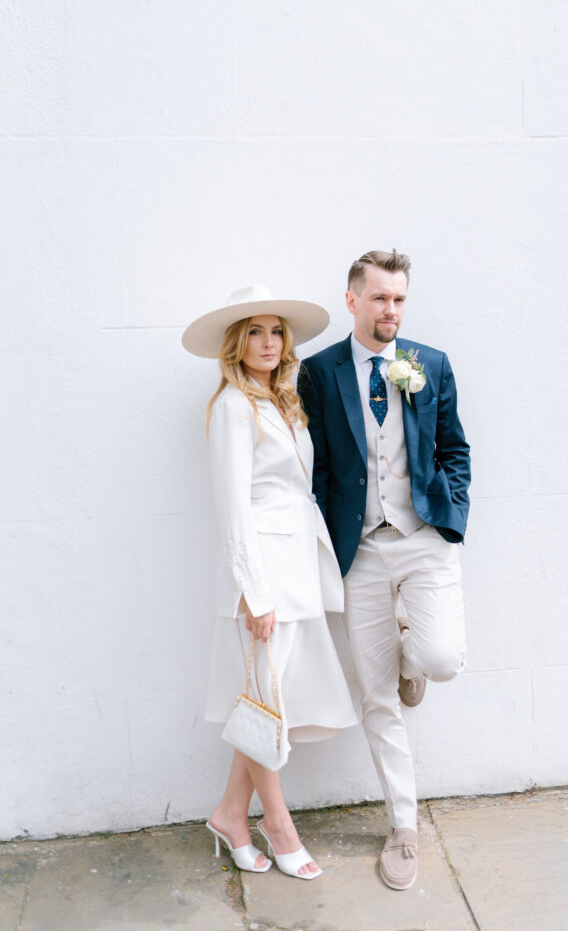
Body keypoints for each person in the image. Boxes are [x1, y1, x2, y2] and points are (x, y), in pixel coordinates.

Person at [298, 251, 470, 891]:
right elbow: (314, 468)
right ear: (352, 300)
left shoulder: (431, 364)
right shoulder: (319, 372)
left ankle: (411, 657)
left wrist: (452, 515)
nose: (390, 311)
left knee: (444, 657)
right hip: (361, 550)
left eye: (399, 299)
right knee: (375, 697)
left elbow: (454, 448)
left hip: (424, 536)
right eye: (379, 299)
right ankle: (403, 825)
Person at [182, 284, 357, 881]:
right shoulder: (233, 404)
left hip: (295, 573)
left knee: (267, 706)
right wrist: (255, 596)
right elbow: (232, 509)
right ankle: (278, 826)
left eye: (275, 331)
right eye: (254, 332)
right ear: (236, 342)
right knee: (266, 703)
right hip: (262, 581)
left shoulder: (279, 401)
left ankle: (232, 813)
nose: (267, 342)